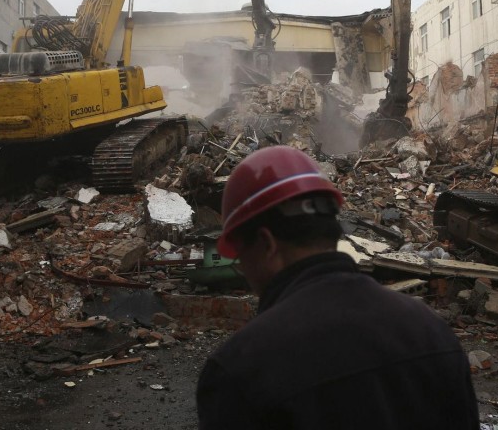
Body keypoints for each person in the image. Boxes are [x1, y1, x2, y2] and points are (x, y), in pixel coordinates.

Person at [196, 145, 480, 429]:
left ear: (266, 244)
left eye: (240, 256)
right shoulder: (432, 332)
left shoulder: (240, 370)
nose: (243, 269)